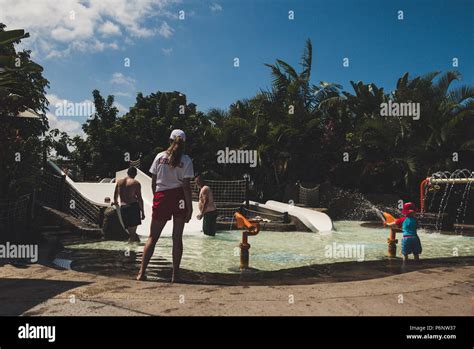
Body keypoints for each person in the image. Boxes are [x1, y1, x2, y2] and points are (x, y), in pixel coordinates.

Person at [137, 129, 194, 282]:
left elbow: (154, 182)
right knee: (177, 238)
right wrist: (190, 207)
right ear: (184, 143)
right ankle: (175, 276)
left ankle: (141, 273)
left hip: (162, 196)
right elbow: (186, 186)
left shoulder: (159, 157)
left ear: (169, 141)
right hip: (179, 197)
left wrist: (156, 197)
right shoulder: (187, 160)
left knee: (152, 237)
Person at [113, 166, 144, 243]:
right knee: (132, 234)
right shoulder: (136, 183)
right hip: (133, 206)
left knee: (130, 232)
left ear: (127, 173)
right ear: (136, 174)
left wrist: (115, 202)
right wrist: (142, 212)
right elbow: (139, 198)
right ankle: (131, 251)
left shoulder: (119, 182)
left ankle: (131, 247)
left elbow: (115, 194)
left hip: (123, 207)